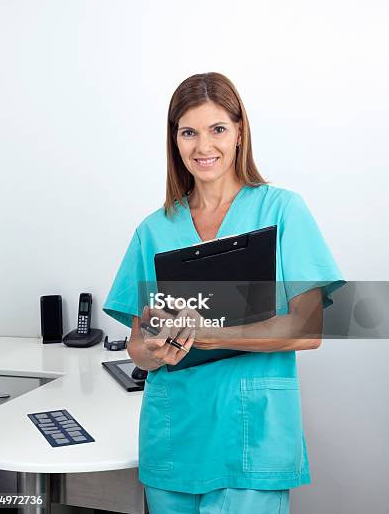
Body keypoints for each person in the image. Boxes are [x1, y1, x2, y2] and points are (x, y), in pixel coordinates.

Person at [103, 72, 345, 514]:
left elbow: (307, 329)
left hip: (251, 436)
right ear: (174, 141)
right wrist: (156, 346)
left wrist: (208, 334)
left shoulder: (282, 211)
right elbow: (137, 345)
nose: (203, 146)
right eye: (188, 132)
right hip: (174, 436)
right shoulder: (154, 230)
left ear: (239, 134)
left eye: (217, 129)